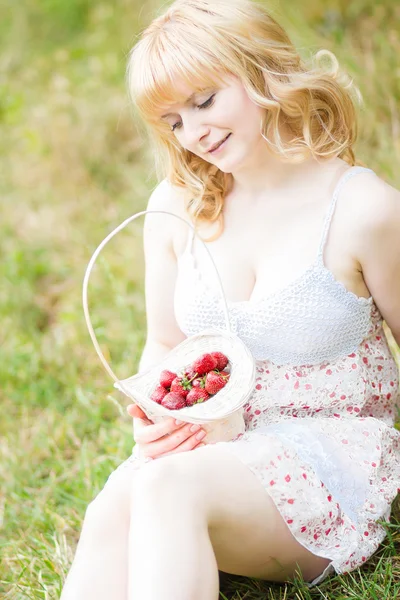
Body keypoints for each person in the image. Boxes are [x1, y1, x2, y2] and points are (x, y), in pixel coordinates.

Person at [60, 0, 400, 598]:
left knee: (166, 490)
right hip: (211, 449)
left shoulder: (363, 210)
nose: (195, 134)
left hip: (325, 458)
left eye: (204, 100)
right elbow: (165, 342)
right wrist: (158, 418)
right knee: (114, 507)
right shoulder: (175, 205)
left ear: (263, 71)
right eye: (173, 121)